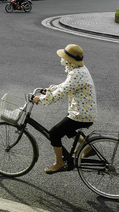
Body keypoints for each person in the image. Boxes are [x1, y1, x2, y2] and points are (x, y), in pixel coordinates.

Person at [33, 44, 97, 174]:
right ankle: (88, 146)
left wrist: (41, 98)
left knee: (54, 133)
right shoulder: (80, 70)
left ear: (69, 60)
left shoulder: (76, 75)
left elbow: (61, 93)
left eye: (65, 59)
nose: (63, 62)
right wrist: (50, 89)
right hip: (85, 112)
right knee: (67, 128)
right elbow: (64, 86)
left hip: (81, 115)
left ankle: (59, 163)